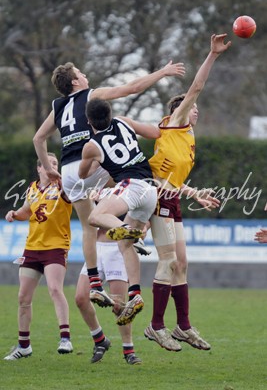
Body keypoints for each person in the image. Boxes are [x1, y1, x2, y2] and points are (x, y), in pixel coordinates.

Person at [33, 61, 185, 308]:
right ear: (74, 81)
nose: (84, 75)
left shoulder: (57, 106)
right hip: (90, 160)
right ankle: (137, 229)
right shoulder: (90, 96)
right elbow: (131, 88)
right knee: (130, 171)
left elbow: (38, 138)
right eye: (80, 73)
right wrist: (163, 72)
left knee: (87, 227)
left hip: (69, 170)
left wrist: (49, 170)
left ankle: (94, 281)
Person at [144, 34, 231, 351]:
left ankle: (183, 326)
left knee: (181, 262)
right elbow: (196, 88)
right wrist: (212, 56)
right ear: (179, 109)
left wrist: (194, 194)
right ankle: (156, 326)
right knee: (167, 262)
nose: (195, 109)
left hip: (173, 198)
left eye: (194, 108)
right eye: (190, 106)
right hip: (157, 199)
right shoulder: (176, 121)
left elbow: (173, 179)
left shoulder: (186, 139)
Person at [78, 98, 161, 325]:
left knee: (95, 217)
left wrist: (92, 159)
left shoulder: (91, 145)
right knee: (124, 246)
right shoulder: (123, 122)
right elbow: (155, 132)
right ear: (110, 112)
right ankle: (135, 294)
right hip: (151, 191)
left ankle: (128, 230)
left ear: (88, 120)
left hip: (131, 186)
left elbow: (82, 174)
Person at [4, 153, 74, 360]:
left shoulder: (62, 186)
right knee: (23, 298)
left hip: (56, 246)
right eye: (48, 163)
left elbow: (72, 197)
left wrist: (61, 178)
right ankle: (23, 346)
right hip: (32, 248)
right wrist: (15, 214)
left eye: (55, 163)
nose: (52, 166)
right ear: (39, 168)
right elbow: (27, 211)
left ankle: (65, 338)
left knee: (54, 288)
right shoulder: (32, 189)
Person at [76, 226, 142, 365]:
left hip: (117, 248)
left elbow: (145, 217)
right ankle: (100, 340)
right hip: (95, 248)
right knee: (81, 298)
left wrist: (142, 231)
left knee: (119, 305)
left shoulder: (126, 203)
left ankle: (129, 350)